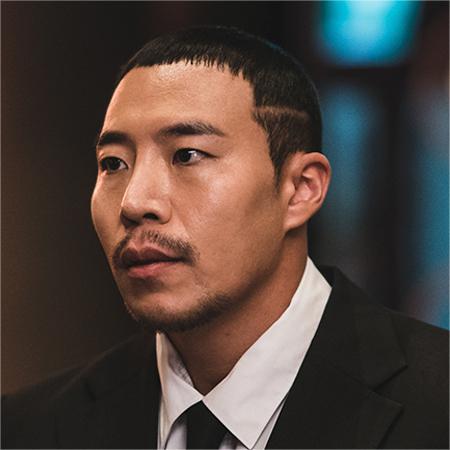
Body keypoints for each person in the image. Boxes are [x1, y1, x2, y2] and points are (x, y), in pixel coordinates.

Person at [2, 26, 448, 450]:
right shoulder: (30, 429)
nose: (134, 202)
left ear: (300, 189)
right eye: (113, 163)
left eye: (187, 155)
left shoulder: (436, 405)